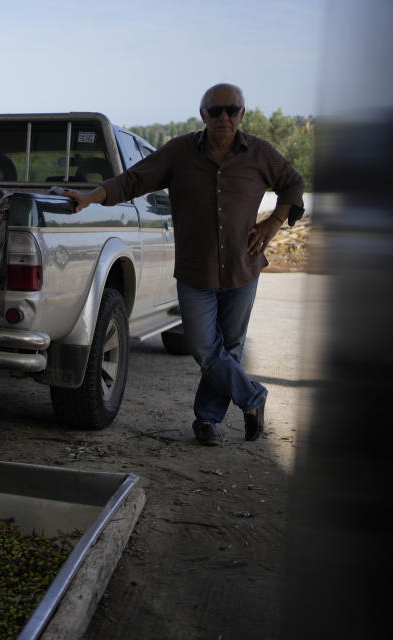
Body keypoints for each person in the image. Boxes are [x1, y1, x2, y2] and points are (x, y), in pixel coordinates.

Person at [61, 83, 304, 445]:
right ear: (202, 114)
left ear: (242, 114)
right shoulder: (179, 152)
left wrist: (271, 224)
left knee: (231, 348)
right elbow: (132, 180)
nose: (224, 117)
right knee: (205, 348)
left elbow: (292, 183)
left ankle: (207, 421)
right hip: (195, 270)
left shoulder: (259, 153)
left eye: (232, 110)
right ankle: (253, 397)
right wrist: (89, 197)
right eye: (216, 110)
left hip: (243, 267)